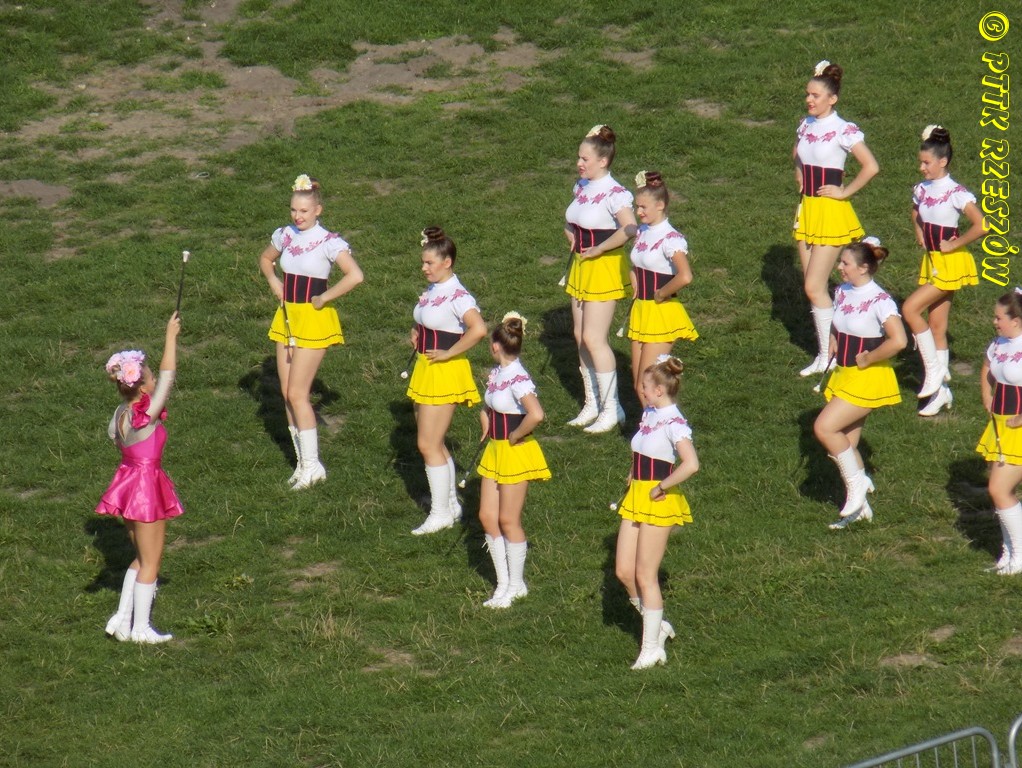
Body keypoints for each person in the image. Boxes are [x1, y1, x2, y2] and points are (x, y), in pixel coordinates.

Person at [258, 174, 364, 489]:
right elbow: (266, 258)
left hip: (313, 319)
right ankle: (302, 464)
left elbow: (355, 276)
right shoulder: (285, 235)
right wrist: (274, 281)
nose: (297, 216)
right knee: (286, 394)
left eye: (304, 211)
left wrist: (325, 297)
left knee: (297, 393)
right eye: (293, 210)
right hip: (287, 316)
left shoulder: (328, 241)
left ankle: (313, 466)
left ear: (318, 210)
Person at [96, 312, 183, 644]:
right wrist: (171, 336)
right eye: (149, 376)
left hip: (128, 483)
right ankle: (141, 629)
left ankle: (122, 619)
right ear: (143, 385)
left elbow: (113, 438)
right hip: (146, 487)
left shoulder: (120, 413)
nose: (154, 379)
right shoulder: (145, 414)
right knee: (152, 562)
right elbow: (169, 375)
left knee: (142, 557)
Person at [794, 60, 879, 377]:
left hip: (831, 213)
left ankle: (828, 356)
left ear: (832, 99)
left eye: (815, 95)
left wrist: (844, 192)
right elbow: (797, 155)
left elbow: (871, 166)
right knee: (812, 287)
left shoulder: (843, 129)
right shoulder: (806, 125)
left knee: (814, 286)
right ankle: (827, 354)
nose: (809, 100)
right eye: (807, 94)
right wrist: (800, 177)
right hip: (807, 210)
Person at [813, 238, 906, 529]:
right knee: (847, 445)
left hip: (868, 377)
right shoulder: (842, 291)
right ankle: (860, 510)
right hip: (845, 374)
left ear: (864, 268)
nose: (839, 267)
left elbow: (899, 340)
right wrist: (833, 339)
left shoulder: (880, 300)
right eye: (840, 262)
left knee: (824, 428)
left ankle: (858, 485)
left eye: (845, 263)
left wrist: (869, 358)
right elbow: (839, 322)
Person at [615, 355, 699, 669]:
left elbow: (691, 464)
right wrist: (633, 473)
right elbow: (644, 449)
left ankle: (651, 648)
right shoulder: (650, 414)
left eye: (646, 387)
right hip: (637, 495)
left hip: (657, 500)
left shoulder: (674, 422)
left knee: (645, 575)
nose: (642, 391)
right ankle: (657, 624)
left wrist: (662, 486)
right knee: (624, 571)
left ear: (660, 391)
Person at [407, 227, 487, 535]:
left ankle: (440, 513)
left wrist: (450, 352)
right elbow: (428, 319)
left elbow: (478, 329)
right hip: (426, 369)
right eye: (423, 262)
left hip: (444, 372)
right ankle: (450, 505)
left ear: (447, 262)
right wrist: (417, 332)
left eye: (429, 263)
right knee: (434, 442)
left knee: (427, 444)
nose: (424, 268)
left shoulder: (458, 295)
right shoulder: (434, 289)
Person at [904, 125, 985, 416]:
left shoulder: (956, 192)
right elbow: (916, 210)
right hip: (933, 261)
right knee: (937, 327)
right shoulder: (922, 188)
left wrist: (955, 244)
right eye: (920, 162)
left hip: (950, 264)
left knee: (909, 309)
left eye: (926, 163)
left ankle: (934, 371)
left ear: (943, 161)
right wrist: (919, 231)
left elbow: (982, 225)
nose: (922, 167)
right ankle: (940, 393)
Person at [563, 124, 638, 433]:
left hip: (604, 268)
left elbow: (630, 228)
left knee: (595, 338)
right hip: (581, 267)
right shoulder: (582, 186)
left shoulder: (615, 193)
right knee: (580, 336)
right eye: (579, 157)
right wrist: (570, 232)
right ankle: (592, 403)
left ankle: (612, 407)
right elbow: (573, 219)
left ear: (603, 161)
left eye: (585, 159)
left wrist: (600, 248)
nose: (579, 163)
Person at [476, 312, 551, 608]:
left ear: (496, 346)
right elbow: (491, 405)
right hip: (495, 451)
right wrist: (486, 418)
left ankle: (517, 585)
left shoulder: (518, 377)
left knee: (508, 520)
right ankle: (503, 583)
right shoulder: (498, 373)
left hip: (514, 452)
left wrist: (515, 435)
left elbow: (536, 414)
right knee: (487, 516)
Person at [627, 171, 698, 406]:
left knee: (649, 386)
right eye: (637, 206)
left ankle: (664, 426)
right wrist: (633, 277)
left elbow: (685, 276)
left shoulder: (671, 239)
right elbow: (637, 263)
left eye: (643, 207)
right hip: (642, 311)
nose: (638, 212)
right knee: (639, 386)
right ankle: (650, 426)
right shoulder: (643, 231)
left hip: (661, 313)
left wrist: (661, 293)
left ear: (660, 205)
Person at [977, 290, 1022, 575]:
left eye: (998, 317)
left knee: (998, 489)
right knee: (1003, 491)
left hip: (1019, 430)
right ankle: (1008, 551)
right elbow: (986, 366)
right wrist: (987, 396)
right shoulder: (998, 343)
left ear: (1016, 320)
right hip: (1000, 426)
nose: (994, 322)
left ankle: (1020, 553)